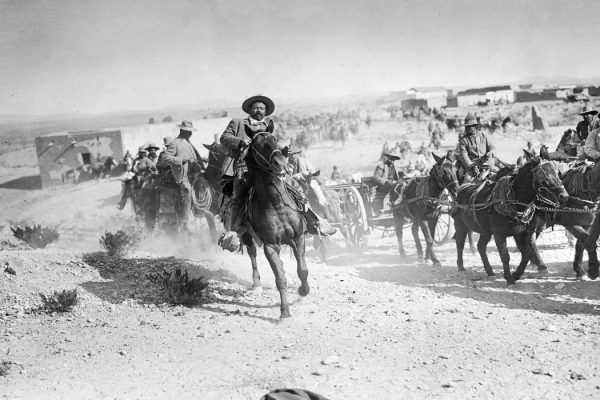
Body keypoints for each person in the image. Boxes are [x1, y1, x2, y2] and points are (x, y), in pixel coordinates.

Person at [218, 95, 335, 249]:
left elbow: (273, 147)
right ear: (250, 110)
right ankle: (234, 234)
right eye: (256, 107)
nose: (259, 110)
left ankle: (315, 221)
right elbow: (224, 138)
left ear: (265, 112)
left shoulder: (267, 126)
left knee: (294, 186)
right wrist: (239, 142)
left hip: (268, 171)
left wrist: (283, 151)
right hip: (245, 169)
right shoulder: (238, 123)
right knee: (239, 196)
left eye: (262, 108)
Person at [157, 120, 204, 228]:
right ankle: (184, 222)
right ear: (182, 131)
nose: (191, 133)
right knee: (187, 192)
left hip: (193, 174)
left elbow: (194, 157)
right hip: (183, 176)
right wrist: (181, 159)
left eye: (191, 131)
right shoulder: (175, 143)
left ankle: (199, 215)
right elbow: (166, 157)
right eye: (188, 131)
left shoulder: (188, 143)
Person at [457, 114, 497, 180]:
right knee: (467, 180)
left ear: (475, 127)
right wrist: (472, 167)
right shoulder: (463, 140)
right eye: (466, 127)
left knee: (500, 176)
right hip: (472, 166)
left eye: (469, 127)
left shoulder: (484, 135)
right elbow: (463, 156)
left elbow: (492, 147)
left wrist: (491, 153)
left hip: (487, 164)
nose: (466, 128)